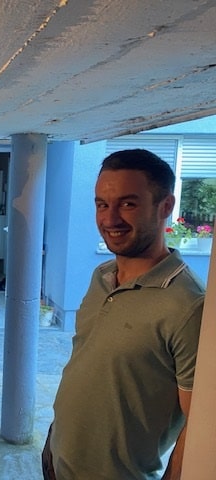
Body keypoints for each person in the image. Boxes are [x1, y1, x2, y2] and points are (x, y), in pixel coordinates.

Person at [42, 149, 205, 480]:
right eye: (102, 204)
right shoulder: (102, 276)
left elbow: (200, 423)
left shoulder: (189, 305)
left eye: (128, 204)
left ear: (166, 207)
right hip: (57, 460)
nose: (110, 219)